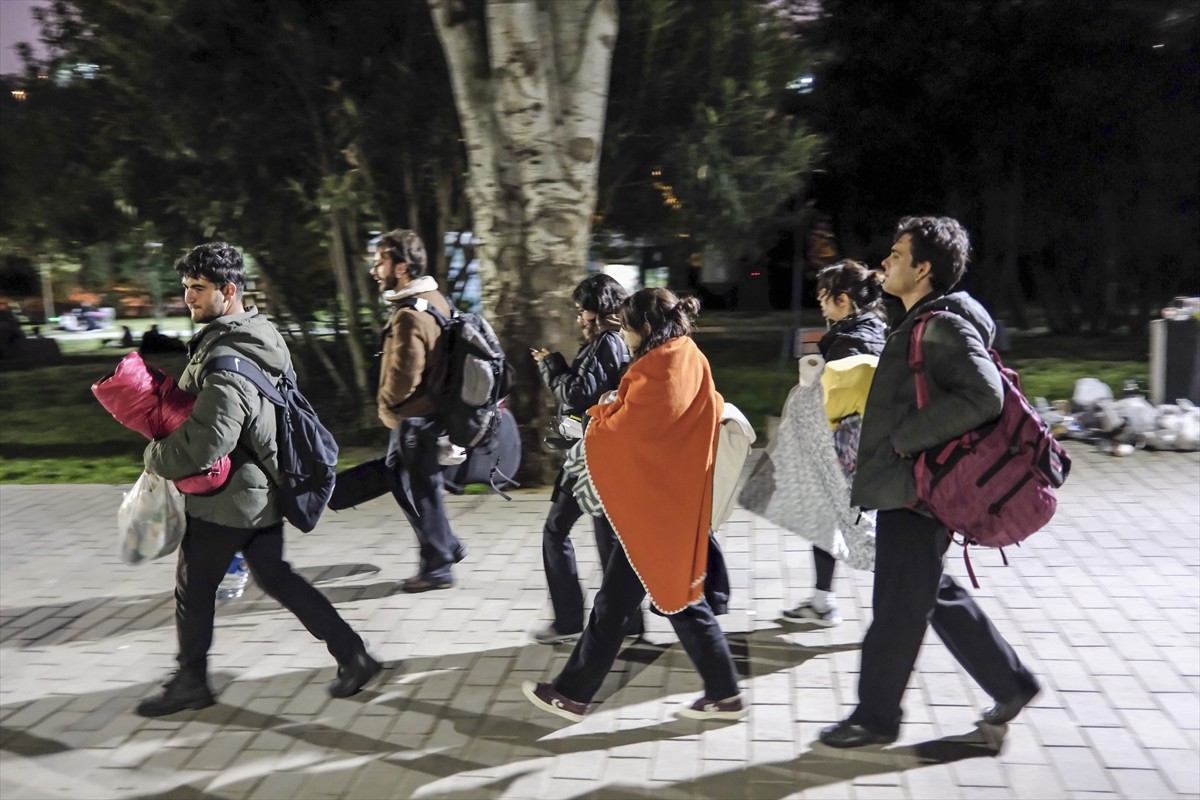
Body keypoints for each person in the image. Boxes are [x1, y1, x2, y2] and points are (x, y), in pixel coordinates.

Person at [819, 217, 1040, 748]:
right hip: (915, 486)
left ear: (923, 268)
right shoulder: (920, 320)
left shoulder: (941, 325)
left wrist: (905, 437)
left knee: (898, 604)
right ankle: (1010, 683)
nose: (885, 262)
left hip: (919, 489)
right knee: (926, 592)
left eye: (896, 254)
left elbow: (985, 395)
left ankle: (875, 717)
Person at [138, 242, 380, 717]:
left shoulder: (227, 360)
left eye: (198, 289)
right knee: (274, 575)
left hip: (228, 500)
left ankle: (191, 682)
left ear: (228, 291)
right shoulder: (258, 331)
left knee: (194, 587)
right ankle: (353, 654)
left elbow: (210, 441)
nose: (188, 297)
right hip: (263, 489)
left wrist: (156, 455)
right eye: (186, 287)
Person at [523, 288, 745, 723]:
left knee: (669, 600)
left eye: (624, 328)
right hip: (670, 501)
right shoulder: (688, 354)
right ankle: (721, 693)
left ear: (644, 329)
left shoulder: (657, 368)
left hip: (654, 509)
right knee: (642, 600)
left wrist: (598, 416)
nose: (621, 336)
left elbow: (624, 433)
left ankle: (575, 694)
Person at [529, 274, 635, 645]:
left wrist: (552, 364)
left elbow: (577, 395)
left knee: (557, 530)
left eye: (582, 311)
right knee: (608, 535)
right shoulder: (612, 341)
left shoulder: (607, 343)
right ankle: (624, 622)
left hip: (593, 451)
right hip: (598, 450)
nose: (578, 318)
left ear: (600, 311)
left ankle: (570, 619)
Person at [782, 260, 887, 627]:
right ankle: (822, 600)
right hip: (859, 446)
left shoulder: (851, 343)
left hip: (848, 448)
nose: (822, 307)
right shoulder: (872, 330)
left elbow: (838, 401)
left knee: (863, 533)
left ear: (843, 300)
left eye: (825, 299)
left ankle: (910, 604)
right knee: (830, 521)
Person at [372, 229, 466, 593]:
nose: (375, 269)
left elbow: (403, 376)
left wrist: (386, 406)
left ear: (401, 267)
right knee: (401, 477)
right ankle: (446, 545)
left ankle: (439, 565)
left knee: (421, 490)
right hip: (430, 416)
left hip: (416, 420)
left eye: (380, 261)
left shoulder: (410, 314)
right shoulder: (436, 299)